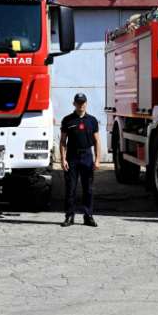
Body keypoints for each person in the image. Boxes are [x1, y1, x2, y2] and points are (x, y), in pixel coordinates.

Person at [59, 93, 101, 227]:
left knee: (88, 188)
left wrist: (98, 159)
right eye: (78, 102)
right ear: (74, 104)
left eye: (83, 102)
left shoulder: (92, 120)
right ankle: (69, 216)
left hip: (87, 157)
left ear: (86, 104)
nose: (81, 104)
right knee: (70, 188)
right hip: (72, 158)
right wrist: (63, 159)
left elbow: (96, 140)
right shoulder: (68, 120)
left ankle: (88, 216)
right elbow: (62, 141)